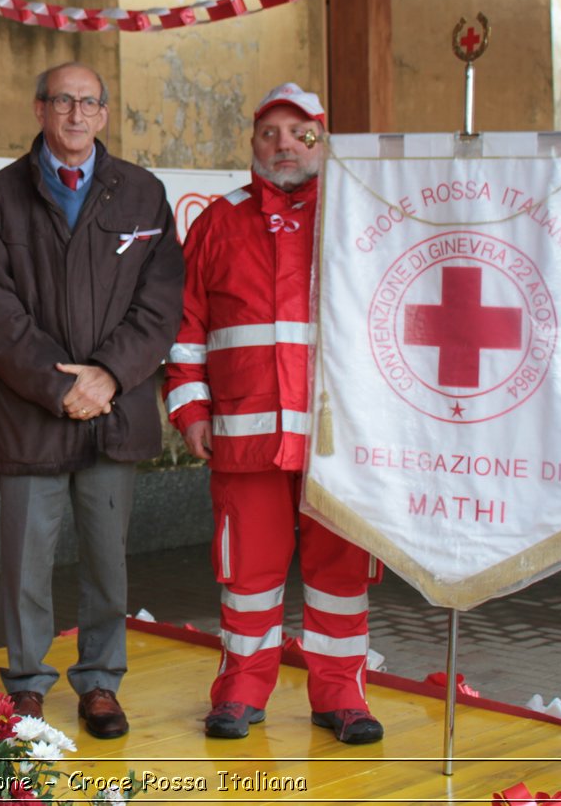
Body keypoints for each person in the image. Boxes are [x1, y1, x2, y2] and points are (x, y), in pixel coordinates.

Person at [162, 82, 385, 745]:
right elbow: (185, 325)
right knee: (248, 575)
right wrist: (189, 409)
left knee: (341, 575)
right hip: (243, 434)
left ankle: (340, 693)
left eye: (300, 133)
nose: (284, 145)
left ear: (323, 140)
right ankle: (240, 687)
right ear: (253, 144)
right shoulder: (218, 221)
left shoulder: (360, 216)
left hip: (335, 440)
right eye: (270, 134)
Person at [0, 62, 183, 739]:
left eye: (90, 102)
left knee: (106, 559)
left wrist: (109, 376)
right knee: (25, 561)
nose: (77, 114)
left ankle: (99, 682)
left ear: (105, 114)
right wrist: (60, 386)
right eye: (64, 100)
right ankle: (27, 684)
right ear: (39, 109)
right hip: (32, 413)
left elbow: (161, 302)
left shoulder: (143, 194)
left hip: (114, 412)